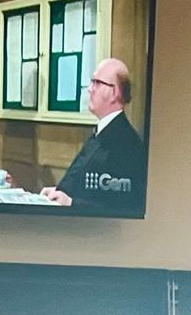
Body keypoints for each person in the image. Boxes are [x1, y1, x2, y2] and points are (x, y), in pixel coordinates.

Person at [40, 59, 144, 209]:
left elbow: (122, 206)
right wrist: (58, 192)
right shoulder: (102, 132)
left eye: (97, 83)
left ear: (114, 92)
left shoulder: (126, 142)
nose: (90, 89)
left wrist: (71, 203)